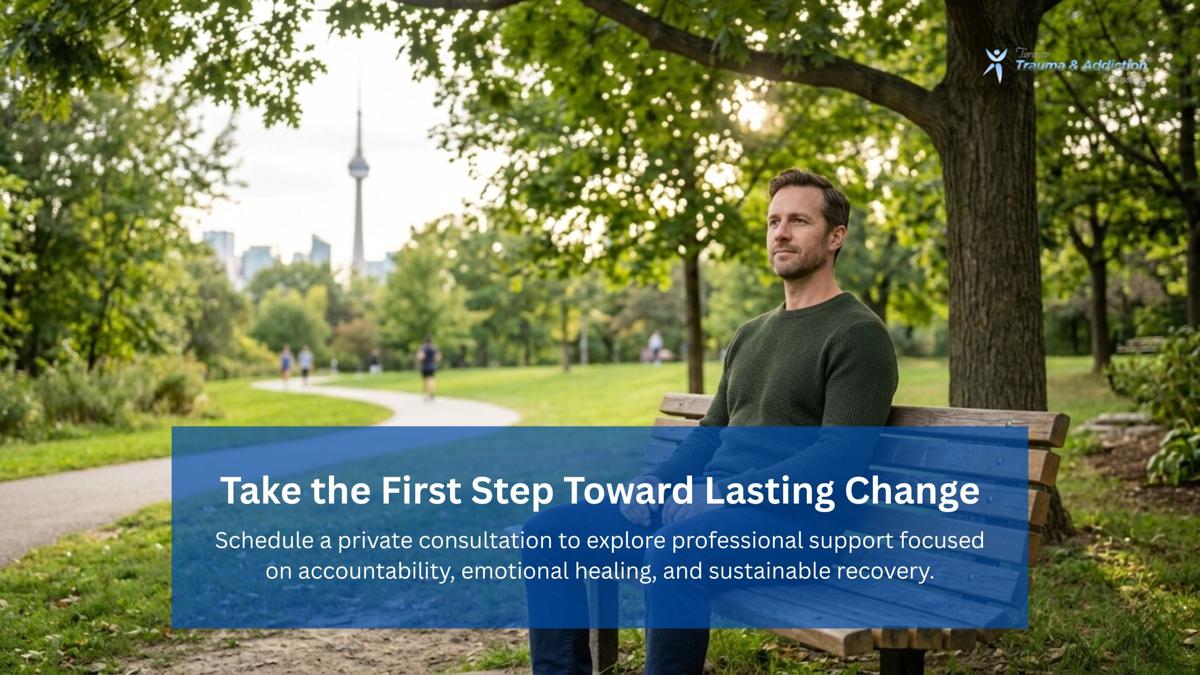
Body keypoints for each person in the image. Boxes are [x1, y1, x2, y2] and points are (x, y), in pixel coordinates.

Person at [523, 168, 899, 675]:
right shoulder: (751, 334)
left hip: (798, 527)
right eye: (773, 221)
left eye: (798, 221)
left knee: (672, 558)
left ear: (836, 237)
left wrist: (726, 495)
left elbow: (839, 458)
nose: (781, 233)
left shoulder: (857, 333)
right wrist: (655, 483)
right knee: (550, 531)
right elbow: (711, 434)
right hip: (710, 515)